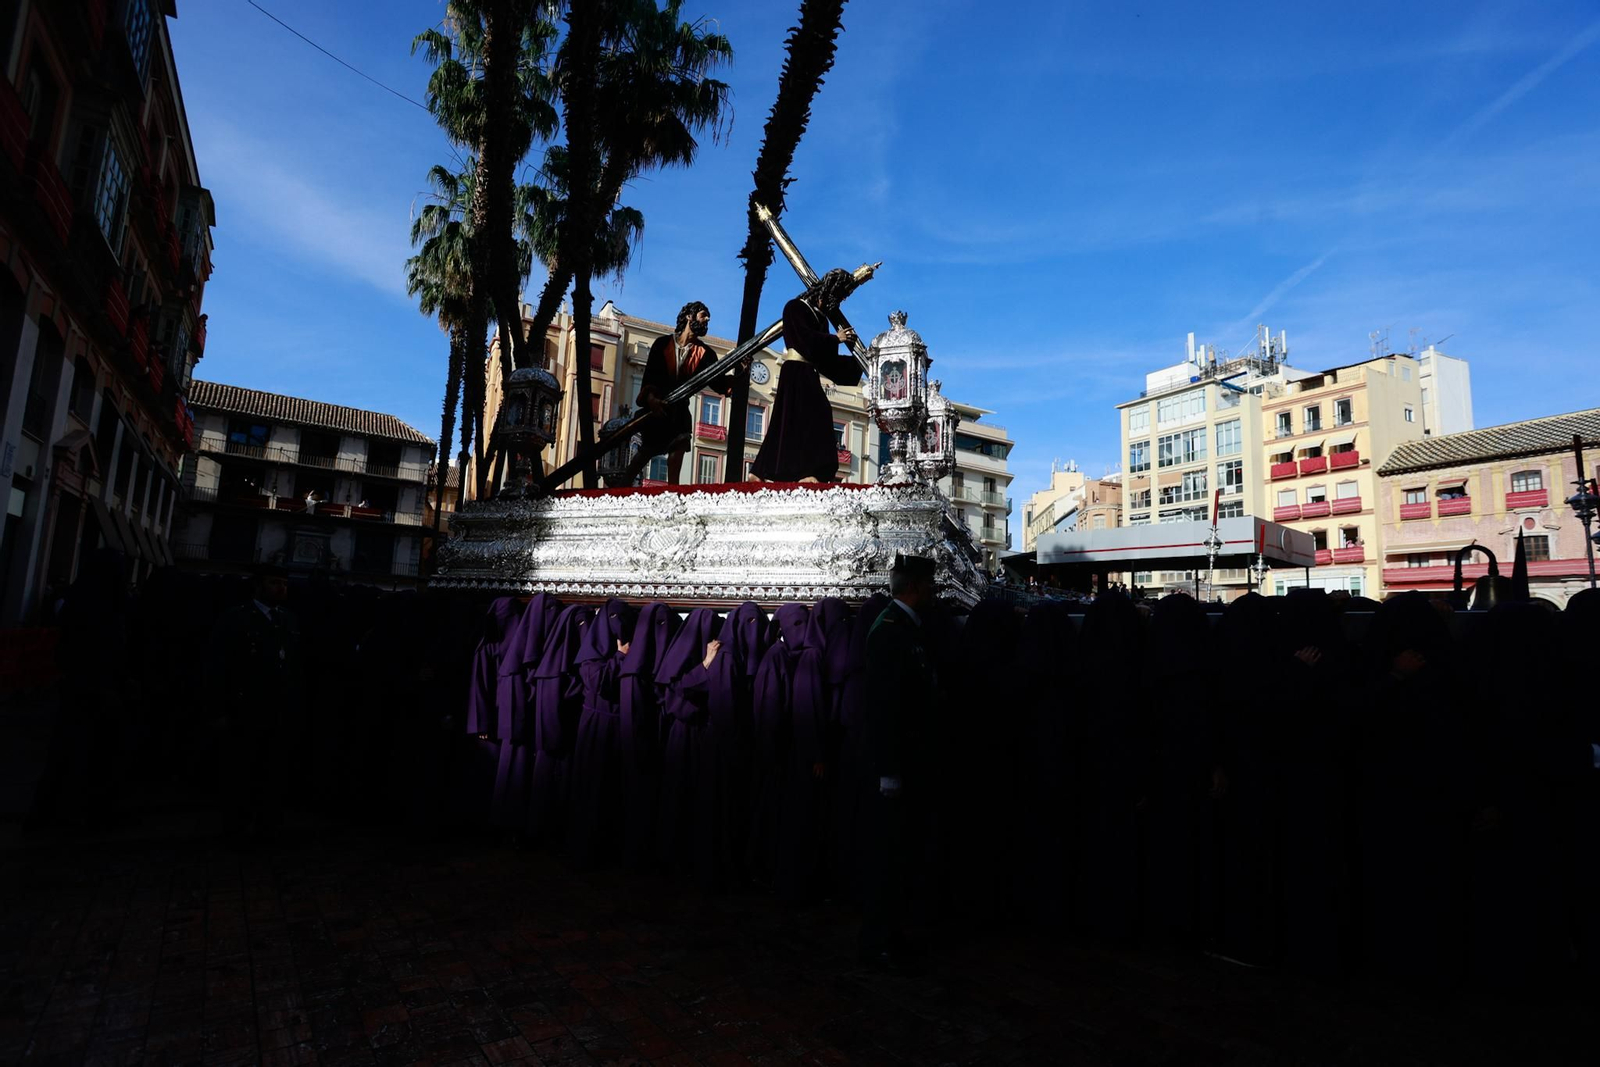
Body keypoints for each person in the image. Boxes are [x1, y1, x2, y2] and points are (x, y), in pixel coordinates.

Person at [858, 554, 940, 969]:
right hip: (897, 760)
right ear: (913, 587)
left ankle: (893, 928)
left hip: (910, 756)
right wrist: (889, 768)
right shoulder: (890, 630)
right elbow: (884, 705)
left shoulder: (905, 626)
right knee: (888, 852)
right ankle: (880, 934)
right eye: (927, 585)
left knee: (902, 848)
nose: (932, 591)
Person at [207, 563, 303, 838]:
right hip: (246, 709)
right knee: (242, 772)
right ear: (258, 585)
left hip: (279, 711)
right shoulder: (236, 619)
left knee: (273, 772)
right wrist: (218, 709)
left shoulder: (288, 620)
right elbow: (218, 666)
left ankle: (268, 823)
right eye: (274, 583)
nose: (281, 588)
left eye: (284, 584)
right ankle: (237, 825)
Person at [750, 269, 864, 484]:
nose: (839, 301)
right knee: (796, 419)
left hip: (809, 373)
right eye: (838, 296)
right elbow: (803, 339)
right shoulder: (795, 307)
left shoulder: (822, 320)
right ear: (828, 291)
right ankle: (794, 471)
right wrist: (835, 339)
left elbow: (826, 359)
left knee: (793, 422)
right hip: (795, 372)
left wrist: (858, 364)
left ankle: (786, 470)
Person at [628, 301, 731, 484]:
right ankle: (623, 485)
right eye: (702, 315)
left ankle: (673, 493)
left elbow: (719, 382)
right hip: (658, 409)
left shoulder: (706, 354)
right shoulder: (662, 344)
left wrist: (739, 375)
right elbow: (650, 376)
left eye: (707, 317)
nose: (706, 319)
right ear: (688, 317)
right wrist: (651, 399)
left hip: (680, 411)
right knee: (646, 453)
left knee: (679, 447)